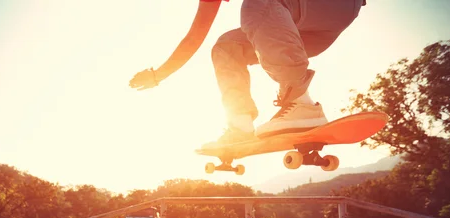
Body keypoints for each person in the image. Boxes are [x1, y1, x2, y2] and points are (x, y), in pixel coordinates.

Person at [129, 0, 366, 148]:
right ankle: (240, 125)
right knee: (226, 47)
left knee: (258, 3)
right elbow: (194, 38)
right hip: (305, 30)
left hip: (334, 5)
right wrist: (158, 75)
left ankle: (301, 103)